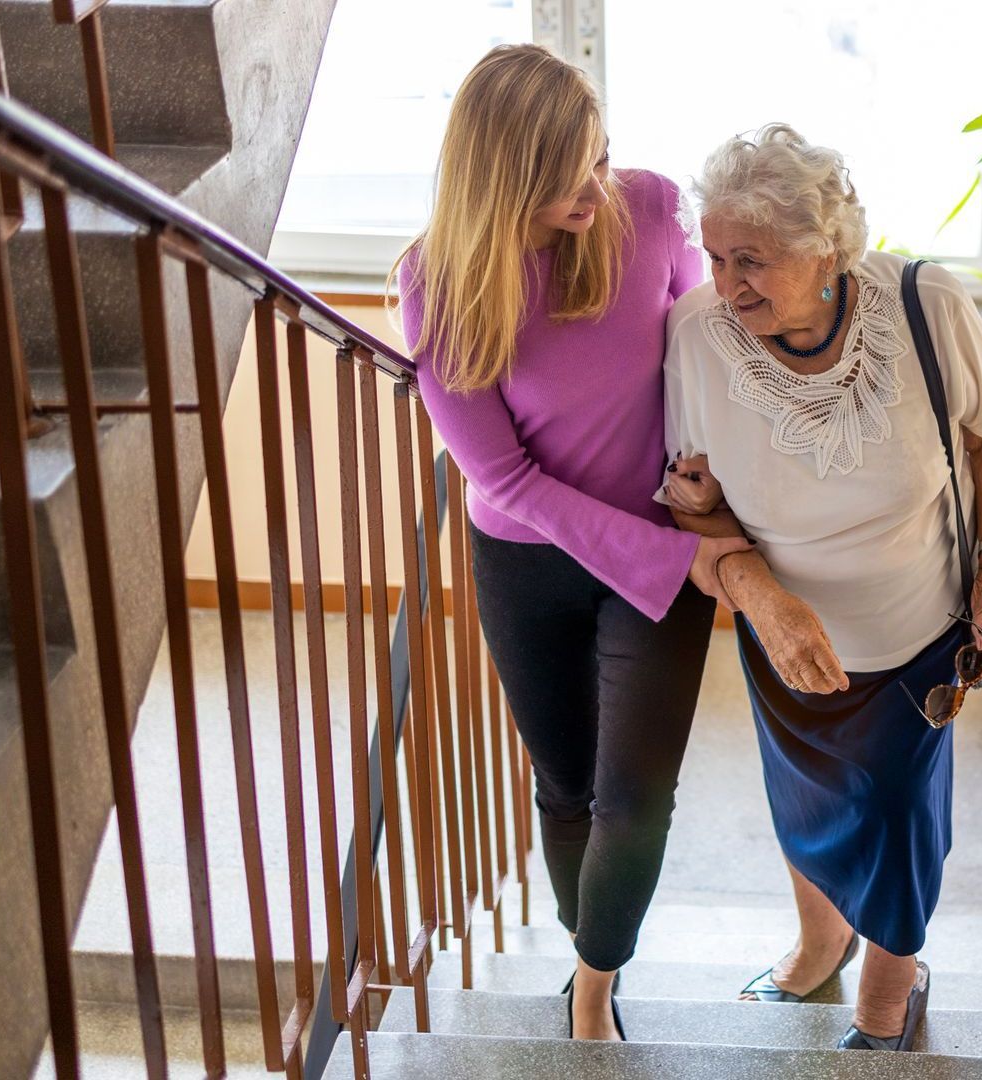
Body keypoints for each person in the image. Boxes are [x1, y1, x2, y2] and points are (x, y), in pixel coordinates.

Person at [391, 44, 747, 1042]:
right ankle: (589, 942)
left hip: (660, 546)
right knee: (567, 789)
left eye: (601, 156)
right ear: (504, 174)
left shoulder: (648, 207)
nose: (598, 187)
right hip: (529, 561)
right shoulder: (439, 284)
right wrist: (676, 559)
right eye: (569, 175)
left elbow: (703, 347)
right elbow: (503, 479)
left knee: (635, 798)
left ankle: (593, 989)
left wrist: (704, 483)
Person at [658, 124, 982, 1051]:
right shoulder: (697, 336)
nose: (726, 281)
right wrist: (757, 591)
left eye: (753, 258)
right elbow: (694, 502)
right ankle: (821, 941)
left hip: (920, 638)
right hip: (782, 636)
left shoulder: (926, 303)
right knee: (808, 803)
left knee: (899, 816)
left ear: (827, 248)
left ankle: (888, 990)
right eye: (714, 256)